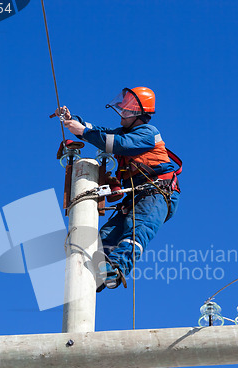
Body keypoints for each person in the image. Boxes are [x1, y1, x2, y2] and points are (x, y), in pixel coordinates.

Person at [55, 87, 181, 291]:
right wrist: (74, 120)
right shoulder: (124, 132)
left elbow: (117, 144)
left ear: (139, 115)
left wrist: (83, 132)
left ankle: (116, 268)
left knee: (136, 230)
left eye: (127, 111)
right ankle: (90, 276)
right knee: (104, 238)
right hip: (136, 195)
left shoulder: (148, 133)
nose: (121, 114)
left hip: (157, 193)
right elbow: (100, 132)